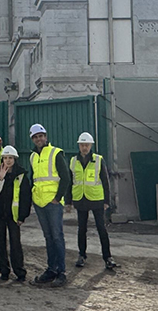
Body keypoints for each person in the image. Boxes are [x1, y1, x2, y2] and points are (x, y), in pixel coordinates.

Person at [28, 123, 72, 287]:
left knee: (57, 236)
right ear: (33, 139)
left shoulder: (55, 153)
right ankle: (51, 269)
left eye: (41, 136)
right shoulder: (33, 157)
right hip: (39, 203)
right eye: (36, 137)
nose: (39, 139)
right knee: (48, 237)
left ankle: (61, 272)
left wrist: (58, 198)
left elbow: (66, 178)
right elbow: (33, 179)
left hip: (53, 203)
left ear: (45, 137)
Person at [71, 132, 119, 271]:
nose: (84, 147)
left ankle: (107, 257)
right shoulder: (73, 161)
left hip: (97, 200)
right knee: (82, 229)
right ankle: (81, 255)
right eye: (82, 145)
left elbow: (105, 181)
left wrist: (106, 201)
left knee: (101, 229)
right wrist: (69, 201)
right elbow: (70, 181)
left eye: (86, 145)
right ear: (79, 146)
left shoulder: (98, 160)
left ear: (91, 145)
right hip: (81, 199)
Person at [0, 145, 32, 282]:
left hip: (13, 216)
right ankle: (4, 271)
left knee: (15, 244)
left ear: (15, 159)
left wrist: (22, 216)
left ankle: (20, 272)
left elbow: (26, 198)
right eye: (5, 158)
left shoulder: (21, 175)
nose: (8, 161)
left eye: (10, 158)